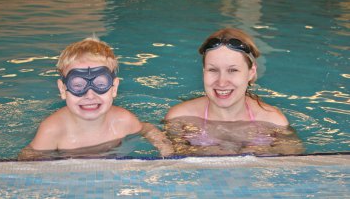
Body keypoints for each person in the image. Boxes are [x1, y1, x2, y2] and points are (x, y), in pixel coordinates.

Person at [19, 37, 173, 160]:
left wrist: (166, 151)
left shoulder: (123, 121)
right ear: (63, 89)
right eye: (78, 85)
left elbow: (147, 129)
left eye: (100, 84)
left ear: (114, 88)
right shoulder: (53, 130)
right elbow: (28, 159)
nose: (90, 95)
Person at [165, 28, 304, 156]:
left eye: (233, 70)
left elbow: (295, 166)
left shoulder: (274, 122)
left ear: (251, 72)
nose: (221, 82)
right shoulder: (179, 119)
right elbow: (169, 159)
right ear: (204, 72)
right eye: (213, 70)